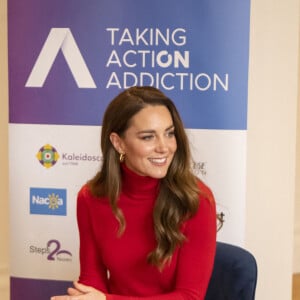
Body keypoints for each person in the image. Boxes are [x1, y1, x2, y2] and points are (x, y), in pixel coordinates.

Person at [51, 86, 217, 300]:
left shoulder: (196, 200)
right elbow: (92, 280)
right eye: (148, 137)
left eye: (169, 133)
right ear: (118, 143)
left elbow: (190, 297)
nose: (164, 147)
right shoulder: (90, 198)